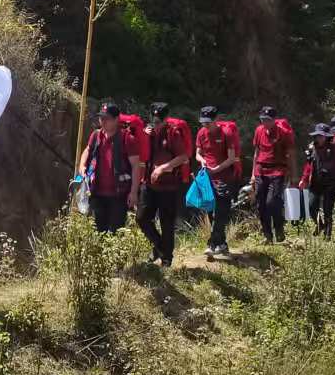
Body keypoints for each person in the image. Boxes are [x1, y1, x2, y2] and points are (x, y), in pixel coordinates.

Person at [138, 102, 192, 266]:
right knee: (142, 218)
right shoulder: (148, 132)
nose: (157, 125)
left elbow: (183, 157)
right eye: (154, 121)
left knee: (166, 222)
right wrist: (143, 136)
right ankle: (160, 247)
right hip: (149, 184)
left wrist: (163, 168)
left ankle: (166, 259)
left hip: (169, 186)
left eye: (159, 121)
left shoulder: (172, 133)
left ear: (166, 119)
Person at [80, 101, 145, 234]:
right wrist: (82, 166)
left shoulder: (127, 139)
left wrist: (133, 193)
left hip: (119, 195)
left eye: (106, 118)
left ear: (116, 120)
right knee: (98, 232)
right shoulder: (96, 135)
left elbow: (135, 167)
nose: (102, 121)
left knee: (115, 233)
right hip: (96, 193)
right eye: (101, 118)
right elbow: (87, 150)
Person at [196, 105, 242, 260]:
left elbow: (231, 158)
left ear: (216, 120)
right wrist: (202, 161)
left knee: (221, 212)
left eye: (208, 122)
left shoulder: (226, 133)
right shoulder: (202, 133)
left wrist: (216, 169)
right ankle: (222, 244)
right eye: (203, 122)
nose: (205, 125)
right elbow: (198, 153)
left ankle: (212, 244)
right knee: (210, 212)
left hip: (224, 178)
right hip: (207, 178)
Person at [251, 106, 294, 244]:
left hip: (277, 171)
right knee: (260, 204)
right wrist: (253, 174)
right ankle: (267, 236)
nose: (265, 122)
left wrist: (293, 174)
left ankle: (279, 229)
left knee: (272, 202)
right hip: (261, 170)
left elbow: (290, 154)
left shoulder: (283, 133)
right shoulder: (259, 131)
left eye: (268, 120)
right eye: (262, 119)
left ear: (274, 120)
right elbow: (256, 152)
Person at [301, 123, 335, 236]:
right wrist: (304, 179)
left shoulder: (333, 148)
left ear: (327, 136)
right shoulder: (312, 148)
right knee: (311, 206)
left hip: (330, 183)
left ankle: (328, 235)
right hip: (315, 182)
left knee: (328, 209)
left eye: (322, 136)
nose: (319, 138)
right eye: (317, 136)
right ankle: (319, 225)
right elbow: (308, 166)